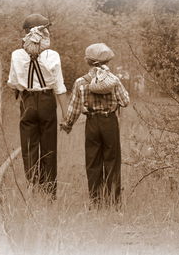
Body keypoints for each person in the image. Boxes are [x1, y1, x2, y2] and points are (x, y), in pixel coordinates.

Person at [61, 43, 130, 207]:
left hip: (92, 123)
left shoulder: (80, 82)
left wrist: (68, 124)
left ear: (88, 61)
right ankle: (114, 202)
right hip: (110, 122)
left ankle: (96, 201)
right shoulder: (113, 80)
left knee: (93, 162)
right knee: (112, 160)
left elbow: (74, 108)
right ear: (108, 61)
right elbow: (125, 101)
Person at [7, 14, 68, 199]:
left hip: (27, 101)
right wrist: (66, 115)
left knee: (28, 145)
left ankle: (33, 185)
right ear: (44, 33)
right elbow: (59, 87)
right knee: (49, 146)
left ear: (26, 33)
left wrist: (24, 87)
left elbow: (13, 82)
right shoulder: (53, 55)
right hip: (47, 101)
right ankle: (49, 191)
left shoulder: (17, 55)